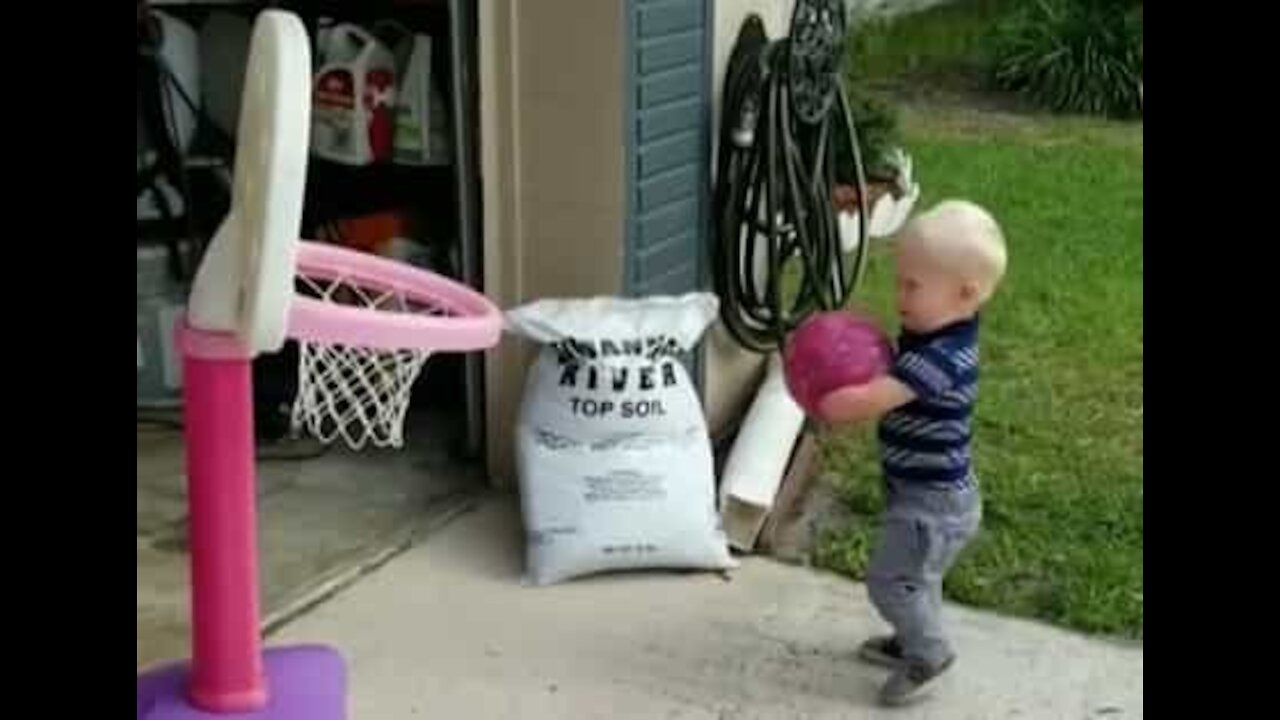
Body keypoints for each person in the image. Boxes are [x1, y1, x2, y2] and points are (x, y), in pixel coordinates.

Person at [818, 199, 1008, 707]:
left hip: (934, 504)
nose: (898, 294)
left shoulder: (943, 358)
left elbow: (874, 398)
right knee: (916, 578)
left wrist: (829, 401)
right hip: (924, 493)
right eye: (899, 279)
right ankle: (909, 638)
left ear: (965, 293)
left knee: (891, 581)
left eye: (912, 286)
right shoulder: (937, 332)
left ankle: (928, 652)